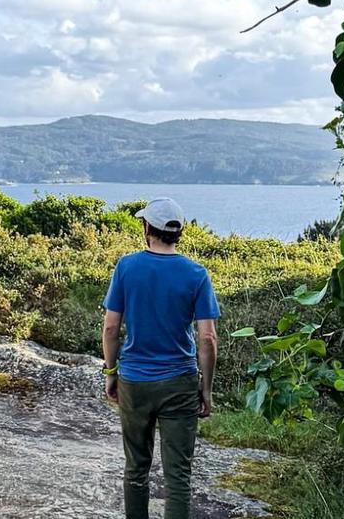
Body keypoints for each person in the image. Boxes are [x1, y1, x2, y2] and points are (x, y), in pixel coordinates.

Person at [101, 197, 220, 519]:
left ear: (147, 229)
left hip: (134, 382)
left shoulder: (127, 267)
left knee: (136, 469)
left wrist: (111, 372)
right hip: (180, 383)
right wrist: (206, 389)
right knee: (178, 476)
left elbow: (111, 328)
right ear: (178, 232)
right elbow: (207, 337)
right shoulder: (196, 274)